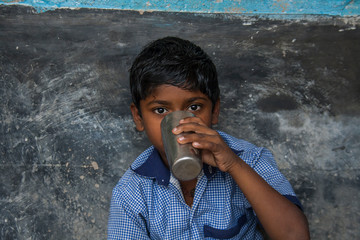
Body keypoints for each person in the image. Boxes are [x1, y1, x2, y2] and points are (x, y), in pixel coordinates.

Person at [107, 36, 310, 239]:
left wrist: (233, 164)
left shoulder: (250, 159)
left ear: (214, 111)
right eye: (160, 110)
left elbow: (295, 236)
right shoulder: (131, 191)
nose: (179, 125)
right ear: (138, 117)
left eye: (194, 107)